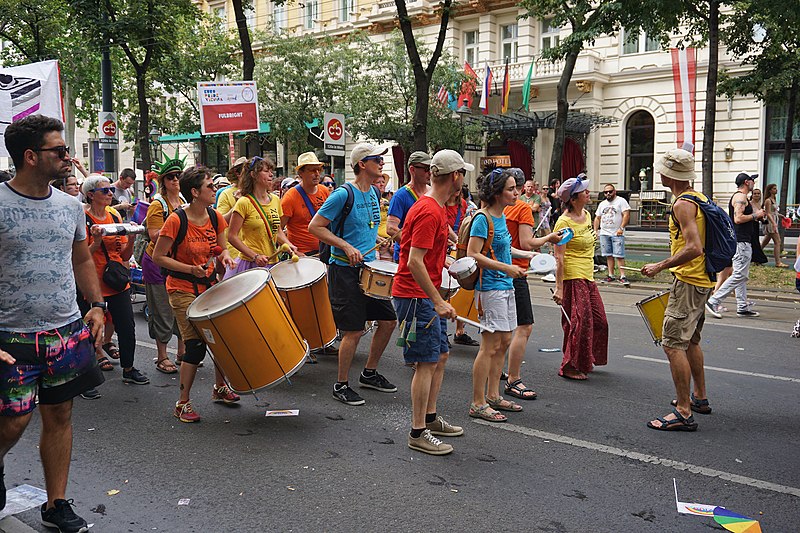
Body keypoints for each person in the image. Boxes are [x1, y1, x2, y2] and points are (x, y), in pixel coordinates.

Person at [0, 114, 105, 531]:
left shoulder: (70, 207)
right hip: (11, 335)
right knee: (13, 420)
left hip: (64, 330)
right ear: (30, 157)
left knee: (60, 415)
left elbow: (81, 258)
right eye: (59, 151)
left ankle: (55, 503)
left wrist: (96, 305)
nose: (68, 157)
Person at [309, 143, 398, 406]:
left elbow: (367, 229)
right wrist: (346, 246)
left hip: (370, 268)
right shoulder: (341, 194)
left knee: (388, 321)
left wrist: (381, 239)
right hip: (345, 271)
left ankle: (369, 373)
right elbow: (316, 227)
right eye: (376, 159)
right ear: (362, 164)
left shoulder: (373, 192)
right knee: (354, 330)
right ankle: (341, 384)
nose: (381, 163)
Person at [392, 150, 468, 455]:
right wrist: (437, 300)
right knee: (424, 364)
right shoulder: (429, 211)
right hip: (415, 297)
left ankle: (430, 417)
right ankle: (417, 431)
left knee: (440, 356)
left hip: (424, 294)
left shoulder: (435, 208)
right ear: (455, 177)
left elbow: (424, 257)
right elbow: (414, 261)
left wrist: (446, 265)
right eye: (463, 173)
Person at [152, 166, 238, 423]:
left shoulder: (215, 217)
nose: (215, 190)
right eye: (210, 186)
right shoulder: (176, 220)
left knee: (221, 339)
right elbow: (159, 257)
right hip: (182, 288)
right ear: (195, 192)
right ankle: (183, 402)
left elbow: (220, 248)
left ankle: (220, 388)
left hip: (210, 284)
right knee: (195, 347)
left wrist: (223, 256)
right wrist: (191, 268)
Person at [642, 148, 715, 431]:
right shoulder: (700, 197)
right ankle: (699, 397)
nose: (658, 173)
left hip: (688, 281)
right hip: (703, 281)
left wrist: (660, 266)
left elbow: (694, 247)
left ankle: (684, 411)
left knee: (672, 344)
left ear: (669, 175)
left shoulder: (682, 204)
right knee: (691, 342)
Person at [467, 168, 529, 422]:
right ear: (497, 193)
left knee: (503, 342)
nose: (516, 193)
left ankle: (493, 395)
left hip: (505, 286)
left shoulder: (500, 216)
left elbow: (502, 246)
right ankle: (478, 402)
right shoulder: (482, 218)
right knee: (489, 346)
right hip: (490, 288)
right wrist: (508, 268)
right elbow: (474, 254)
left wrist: (527, 256)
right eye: (511, 189)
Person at [80, 175, 149, 385]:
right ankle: (86, 376)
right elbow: (81, 257)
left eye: (111, 189)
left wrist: (133, 236)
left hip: (116, 280)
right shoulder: (83, 218)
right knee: (88, 330)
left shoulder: (114, 216)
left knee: (127, 327)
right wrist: (97, 240)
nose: (111, 193)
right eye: (105, 191)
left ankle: (128, 368)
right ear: (91, 195)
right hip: (92, 283)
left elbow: (125, 256)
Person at [503, 169, 564, 400]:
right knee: (524, 326)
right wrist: (548, 238)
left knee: (499, 330)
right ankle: (513, 378)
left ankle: (492, 381)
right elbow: (527, 243)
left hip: (495, 271)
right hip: (515, 271)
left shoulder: (492, 208)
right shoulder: (521, 208)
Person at [552, 174, 608, 381]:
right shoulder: (563, 222)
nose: (588, 193)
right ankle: (570, 365)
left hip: (588, 275)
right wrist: (559, 287)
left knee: (600, 321)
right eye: (584, 191)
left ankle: (585, 357)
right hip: (573, 277)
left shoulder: (586, 214)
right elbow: (559, 257)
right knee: (579, 322)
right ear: (573, 199)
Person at [142, 156, 187, 374]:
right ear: (164, 181)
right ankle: (162, 356)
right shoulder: (157, 204)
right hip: (157, 263)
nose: (176, 180)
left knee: (180, 307)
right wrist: (175, 224)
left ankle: (181, 352)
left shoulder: (186, 203)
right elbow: (153, 236)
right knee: (162, 310)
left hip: (178, 262)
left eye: (179, 176)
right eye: (171, 177)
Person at [705, 173, 766, 319]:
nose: (754, 184)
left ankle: (742, 306)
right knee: (740, 274)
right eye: (752, 181)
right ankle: (714, 300)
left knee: (740, 274)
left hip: (742, 241)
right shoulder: (740, 197)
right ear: (746, 182)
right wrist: (755, 215)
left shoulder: (742, 198)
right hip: (741, 242)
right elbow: (738, 218)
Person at [227, 156, 296, 275]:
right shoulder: (244, 202)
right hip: (250, 264)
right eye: (266, 171)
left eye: (271, 171)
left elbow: (277, 231)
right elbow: (232, 236)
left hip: (272, 262)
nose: (271, 175)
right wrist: (255, 256)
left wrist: (288, 244)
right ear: (253, 175)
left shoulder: (275, 200)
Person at [445, 186, 479, 346]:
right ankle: (441, 331)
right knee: (445, 290)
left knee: (462, 291)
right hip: (446, 246)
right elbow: (444, 225)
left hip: (459, 247)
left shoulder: (463, 204)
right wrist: (455, 239)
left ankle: (460, 330)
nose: (457, 191)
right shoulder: (441, 203)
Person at [280, 152, 330, 256]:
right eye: (312, 170)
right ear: (300, 173)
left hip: (324, 251)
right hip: (303, 256)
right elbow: (277, 230)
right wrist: (294, 251)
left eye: (319, 170)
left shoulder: (324, 191)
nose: (317, 174)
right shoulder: (290, 197)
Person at [387, 151, 432, 261]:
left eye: (431, 169)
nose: (430, 173)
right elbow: (391, 228)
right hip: (407, 257)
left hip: (428, 255)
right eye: (426, 169)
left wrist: (454, 238)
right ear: (412, 170)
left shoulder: (432, 192)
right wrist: (416, 246)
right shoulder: (400, 196)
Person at [594, 184, 632, 286]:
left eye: (610, 191)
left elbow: (626, 214)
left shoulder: (621, 201)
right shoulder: (602, 204)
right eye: (606, 192)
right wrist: (595, 230)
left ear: (614, 191)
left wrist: (621, 227)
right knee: (608, 255)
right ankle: (611, 275)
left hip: (617, 232)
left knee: (619, 255)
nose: (608, 194)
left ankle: (622, 276)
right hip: (604, 232)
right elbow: (597, 218)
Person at [761, 184, 789, 268]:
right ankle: (778, 262)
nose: (776, 190)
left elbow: (774, 212)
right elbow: (768, 213)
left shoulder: (774, 199)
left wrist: (781, 216)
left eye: (776, 188)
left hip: (773, 220)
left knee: (765, 242)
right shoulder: (768, 200)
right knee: (778, 241)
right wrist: (773, 223)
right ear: (770, 190)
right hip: (770, 222)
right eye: (774, 189)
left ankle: (755, 255)